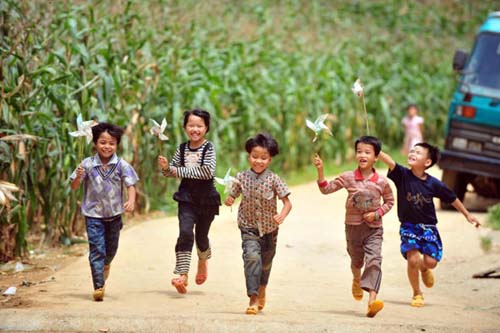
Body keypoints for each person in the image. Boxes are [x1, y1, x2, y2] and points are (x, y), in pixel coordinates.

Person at [378, 143, 480, 307]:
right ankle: (417, 293)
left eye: (418, 152)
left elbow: (452, 197)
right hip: (408, 226)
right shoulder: (402, 175)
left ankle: (424, 269)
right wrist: (376, 149)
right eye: (412, 150)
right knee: (412, 260)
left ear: (427, 162)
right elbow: (390, 161)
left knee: (431, 262)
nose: (412, 153)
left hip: (429, 228)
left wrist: (467, 214)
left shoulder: (433, 184)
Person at [313, 135, 394, 318]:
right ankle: (357, 279)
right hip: (352, 228)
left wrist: (376, 214)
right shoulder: (348, 177)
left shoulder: (382, 182)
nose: (362, 155)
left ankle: (372, 301)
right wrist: (320, 171)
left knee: (374, 260)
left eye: (367, 152)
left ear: (376, 156)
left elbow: (389, 202)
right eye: (359, 151)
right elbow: (326, 189)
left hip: (374, 229)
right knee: (356, 261)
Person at [224, 133, 292, 315]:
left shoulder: (274, 179)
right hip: (248, 227)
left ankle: (262, 288)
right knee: (252, 258)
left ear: (270, 159)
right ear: (249, 156)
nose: (258, 161)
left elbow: (287, 203)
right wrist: (230, 199)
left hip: (270, 229)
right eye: (255, 157)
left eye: (263, 158)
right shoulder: (241, 177)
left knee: (266, 263)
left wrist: (281, 216)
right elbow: (232, 193)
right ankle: (253, 298)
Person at [70, 122, 139, 302]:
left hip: (115, 215)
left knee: (111, 250)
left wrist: (130, 201)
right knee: (97, 250)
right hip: (93, 216)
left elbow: (131, 185)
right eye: (102, 142)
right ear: (95, 143)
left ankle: (106, 264)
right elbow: (74, 186)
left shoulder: (122, 165)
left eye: (111, 143)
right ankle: (98, 286)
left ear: (116, 145)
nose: (107, 146)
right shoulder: (86, 164)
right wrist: (78, 176)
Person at [157, 109, 221, 294]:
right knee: (185, 232)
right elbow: (172, 172)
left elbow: (207, 172)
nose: (195, 129)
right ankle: (182, 274)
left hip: (206, 199)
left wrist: (177, 170)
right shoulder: (182, 148)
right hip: (186, 197)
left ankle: (202, 260)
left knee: (201, 237)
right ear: (185, 127)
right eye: (191, 125)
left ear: (206, 128)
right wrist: (165, 168)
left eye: (199, 126)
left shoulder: (208, 148)